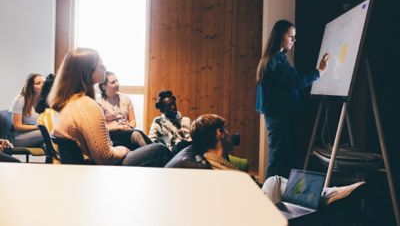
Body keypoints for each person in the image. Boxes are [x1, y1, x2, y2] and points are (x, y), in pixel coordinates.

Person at [166, 114, 365, 206]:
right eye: (226, 130)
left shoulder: (214, 160)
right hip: (252, 216)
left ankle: (325, 194)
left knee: (277, 183)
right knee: (275, 181)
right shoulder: (214, 171)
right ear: (219, 133)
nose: (229, 134)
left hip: (250, 207)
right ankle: (327, 195)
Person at [48, 48, 172, 166]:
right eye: (100, 64)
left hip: (86, 167)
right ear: (87, 71)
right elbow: (105, 157)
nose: (104, 67)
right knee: (159, 150)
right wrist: (124, 149)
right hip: (95, 170)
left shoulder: (70, 102)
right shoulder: (86, 105)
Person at [256, 19, 330, 178]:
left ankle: (273, 196)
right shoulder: (276, 60)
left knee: (278, 159)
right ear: (280, 35)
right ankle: (269, 199)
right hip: (280, 118)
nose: (293, 41)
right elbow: (295, 81)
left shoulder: (274, 58)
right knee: (277, 161)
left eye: (294, 37)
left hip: (278, 117)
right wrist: (319, 72)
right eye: (291, 36)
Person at [98, 71, 150, 150]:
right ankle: (151, 153)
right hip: (111, 133)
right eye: (113, 82)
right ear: (103, 87)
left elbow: (133, 120)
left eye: (117, 81)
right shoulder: (99, 103)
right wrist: (120, 128)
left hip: (127, 131)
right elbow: (100, 128)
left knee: (140, 136)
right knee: (137, 135)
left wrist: (129, 127)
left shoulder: (126, 99)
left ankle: (157, 151)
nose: (117, 84)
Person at [9, 73, 45, 147]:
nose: (42, 85)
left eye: (43, 82)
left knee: (53, 134)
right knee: (48, 133)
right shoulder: (20, 100)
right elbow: (17, 126)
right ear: (30, 86)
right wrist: (39, 127)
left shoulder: (44, 99)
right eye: (38, 83)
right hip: (18, 137)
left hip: (36, 132)